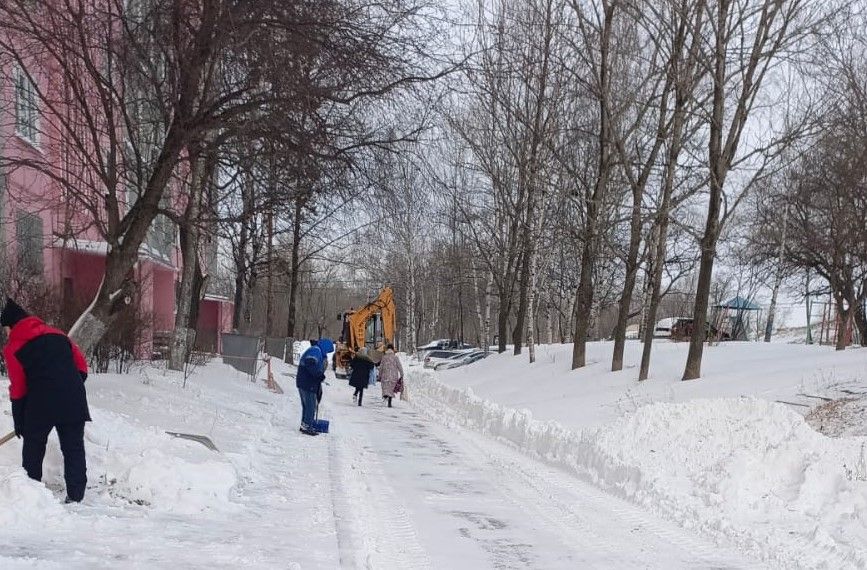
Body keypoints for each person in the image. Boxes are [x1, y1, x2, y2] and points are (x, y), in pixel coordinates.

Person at [1, 298, 90, 503]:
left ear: (12, 325)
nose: (6, 333)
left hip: (41, 403)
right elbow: (82, 368)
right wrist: (68, 387)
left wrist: (19, 418)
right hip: (73, 398)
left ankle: (31, 495)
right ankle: (76, 497)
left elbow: (19, 387)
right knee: (73, 447)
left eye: (6, 329)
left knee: (33, 445)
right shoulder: (59, 335)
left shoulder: (14, 347)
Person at [296, 340, 325, 436]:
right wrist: (318, 375)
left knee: (307, 405)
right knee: (310, 405)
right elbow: (310, 362)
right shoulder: (316, 351)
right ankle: (307, 426)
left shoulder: (314, 350)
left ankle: (304, 424)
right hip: (308, 382)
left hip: (304, 381)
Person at [378, 343, 403, 408]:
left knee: (385, 388)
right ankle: (389, 402)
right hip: (393, 375)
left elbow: (381, 367)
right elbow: (399, 366)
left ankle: (385, 396)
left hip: (385, 375)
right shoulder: (395, 357)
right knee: (391, 389)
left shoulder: (384, 357)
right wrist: (402, 374)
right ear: (392, 349)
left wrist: (379, 375)